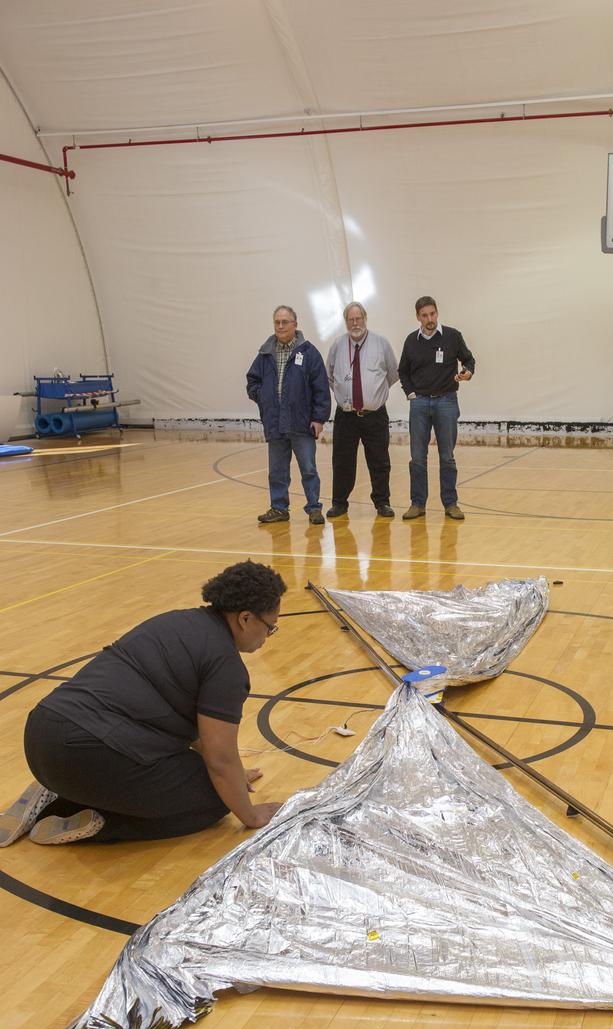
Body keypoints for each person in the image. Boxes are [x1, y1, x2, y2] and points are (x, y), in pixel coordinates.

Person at [0, 562, 286, 847]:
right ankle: (87, 818)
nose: (267, 637)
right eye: (270, 627)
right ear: (246, 618)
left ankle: (50, 790)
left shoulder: (174, 621)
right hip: (86, 755)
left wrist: (233, 774)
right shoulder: (226, 665)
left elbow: (206, 741)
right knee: (215, 800)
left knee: (209, 777)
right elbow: (220, 759)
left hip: (41, 734)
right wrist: (250, 814)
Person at [247, 305, 331, 525]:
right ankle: (279, 508)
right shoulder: (265, 354)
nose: (281, 326)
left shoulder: (309, 353)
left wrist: (318, 418)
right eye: (277, 322)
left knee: (309, 469)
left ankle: (314, 508)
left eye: (285, 322)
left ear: (295, 324)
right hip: (275, 423)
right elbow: (252, 380)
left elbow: (321, 388)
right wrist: (263, 397)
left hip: (301, 423)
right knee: (277, 471)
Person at [397, 295, 475, 521]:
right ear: (417, 317)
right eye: (424, 315)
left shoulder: (452, 336)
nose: (429, 319)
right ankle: (417, 503)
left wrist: (468, 373)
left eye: (432, 314)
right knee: (417, 458)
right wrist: (410, 393)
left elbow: (469, 360)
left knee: (447, 456)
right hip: (419, 403)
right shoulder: (411, 341)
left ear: (437, 312)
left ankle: (451, 503)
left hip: (447, 401)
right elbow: (403, 370)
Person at [326, 302, 399, 518]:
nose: (355, 323)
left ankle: (382, 502)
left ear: (365, 318)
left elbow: (393, 374)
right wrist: (344, 392)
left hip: (374, 415)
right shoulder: (338, 345)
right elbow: (329, 375)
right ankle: (339, 503)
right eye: (351, 319)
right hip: (346, 416)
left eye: (358, 318)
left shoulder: (381, 343)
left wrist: (372, 393)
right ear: (346, 321)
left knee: (379, 461)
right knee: (342, 461)